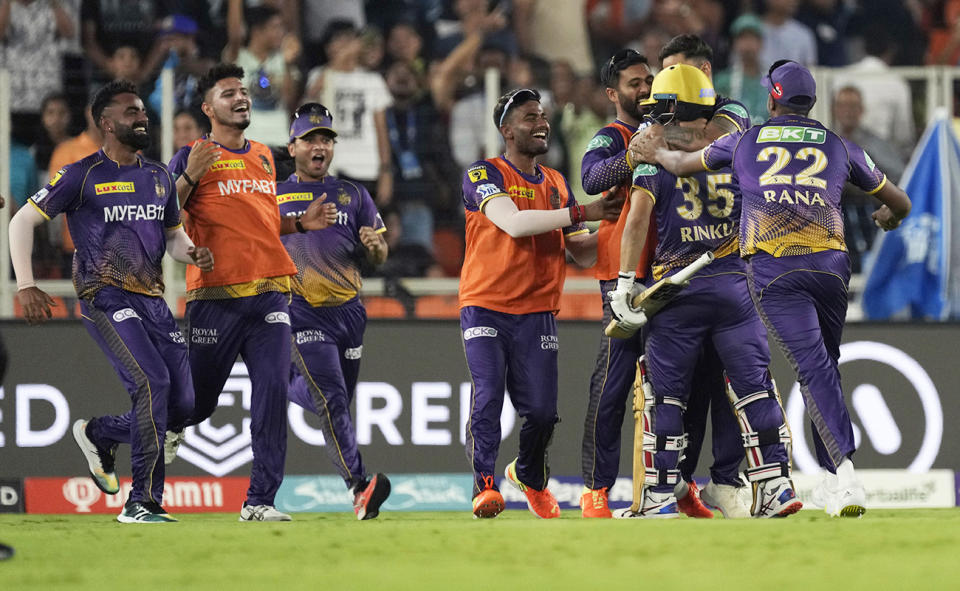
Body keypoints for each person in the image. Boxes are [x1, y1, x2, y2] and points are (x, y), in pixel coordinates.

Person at [637, 60, 912, 518]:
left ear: (771, 98)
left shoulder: (746, 139)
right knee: (825, 365)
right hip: (831, 267)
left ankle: (846, 477)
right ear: (812, 102)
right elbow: (898, 201)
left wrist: (652, 153)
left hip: (775, 269)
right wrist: (889, 217)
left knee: (812, 368)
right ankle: (830, 477)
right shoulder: (838, 143)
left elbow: (683, 165)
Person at [8, 80, 214, 523]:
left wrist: (192, 252)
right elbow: (22, 221)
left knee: (183, 405)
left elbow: (174, 238)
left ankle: (99, 434)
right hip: (104, 295)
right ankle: (142, 501)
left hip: (153, 300)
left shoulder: (159, 176)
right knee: (152, 383)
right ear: (105, 123)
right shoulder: (81, 174)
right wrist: (24, 284)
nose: (141, 117)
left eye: (142, 110)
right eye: (130, 112)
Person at [611, 64, 800, 519]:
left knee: (666, 398)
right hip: (737, 285)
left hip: (678, 291)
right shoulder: (740, 147)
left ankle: (658, 497)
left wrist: (623, 285)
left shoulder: (655, 153)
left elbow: (637, 220)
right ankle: (775, 485)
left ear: (671, 105)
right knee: (756, 390)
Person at [166, 63, 336, 522]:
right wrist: (187, 179)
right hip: (215, 299)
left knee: (272, 396)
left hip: (270, 296)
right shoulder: (190, 156)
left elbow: (259, 222)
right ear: (208, 108)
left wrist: (299, 223)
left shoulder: (263, 154)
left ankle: (259, 501)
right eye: (227, 93)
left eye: (242, 91)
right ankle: (106, 433)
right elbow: (159, 215)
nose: (240, 98)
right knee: (196, 405)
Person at [462, 88, 621, 519]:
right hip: (486, 305)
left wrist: (621, 223)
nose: (541, 123)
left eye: (543, 116)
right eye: (530, 117)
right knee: (488, 396)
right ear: (507, 130)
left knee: (544, 414)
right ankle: (485, 487)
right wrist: (584, 213)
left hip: (537, 312)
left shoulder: (555, 182)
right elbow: (513, 224)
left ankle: (529, 476)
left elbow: (583, 252)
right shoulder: (482, 173)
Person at [629, 33, 757, 519]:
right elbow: (600, 178)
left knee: (725, 386)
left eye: (673, 73)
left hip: (725, 273)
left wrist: (655, 143)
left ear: (701, 73)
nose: (662, 87)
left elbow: (708, 143)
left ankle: (726, 481)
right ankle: (678, 484)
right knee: (682, 390)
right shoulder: (660, 124)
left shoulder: (735, 115)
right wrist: (642, 148)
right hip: (676, 282)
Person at [278, 102, 393, 520]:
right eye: (310, 139)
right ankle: (359, 487)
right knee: (331, 398)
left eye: (326, 139)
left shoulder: (352, 194)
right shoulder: (274, 195)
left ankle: (277, 384)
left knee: (336, 399)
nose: (320, 146)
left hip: (349, 313)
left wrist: (377, 248)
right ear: (292, 146)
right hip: (302, 310)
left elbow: (378, 255)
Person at [577, 48, 655, 519]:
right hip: (620, 274)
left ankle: (672, 485)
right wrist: (633, 153)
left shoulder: (669, 129)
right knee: (612, 381)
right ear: (613, 93)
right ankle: (595, 488)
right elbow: (590, 178)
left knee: (672, 383)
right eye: (633, 83)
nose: (644, 89)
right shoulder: (611, 135)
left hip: (666, 267)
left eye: (648, 80)